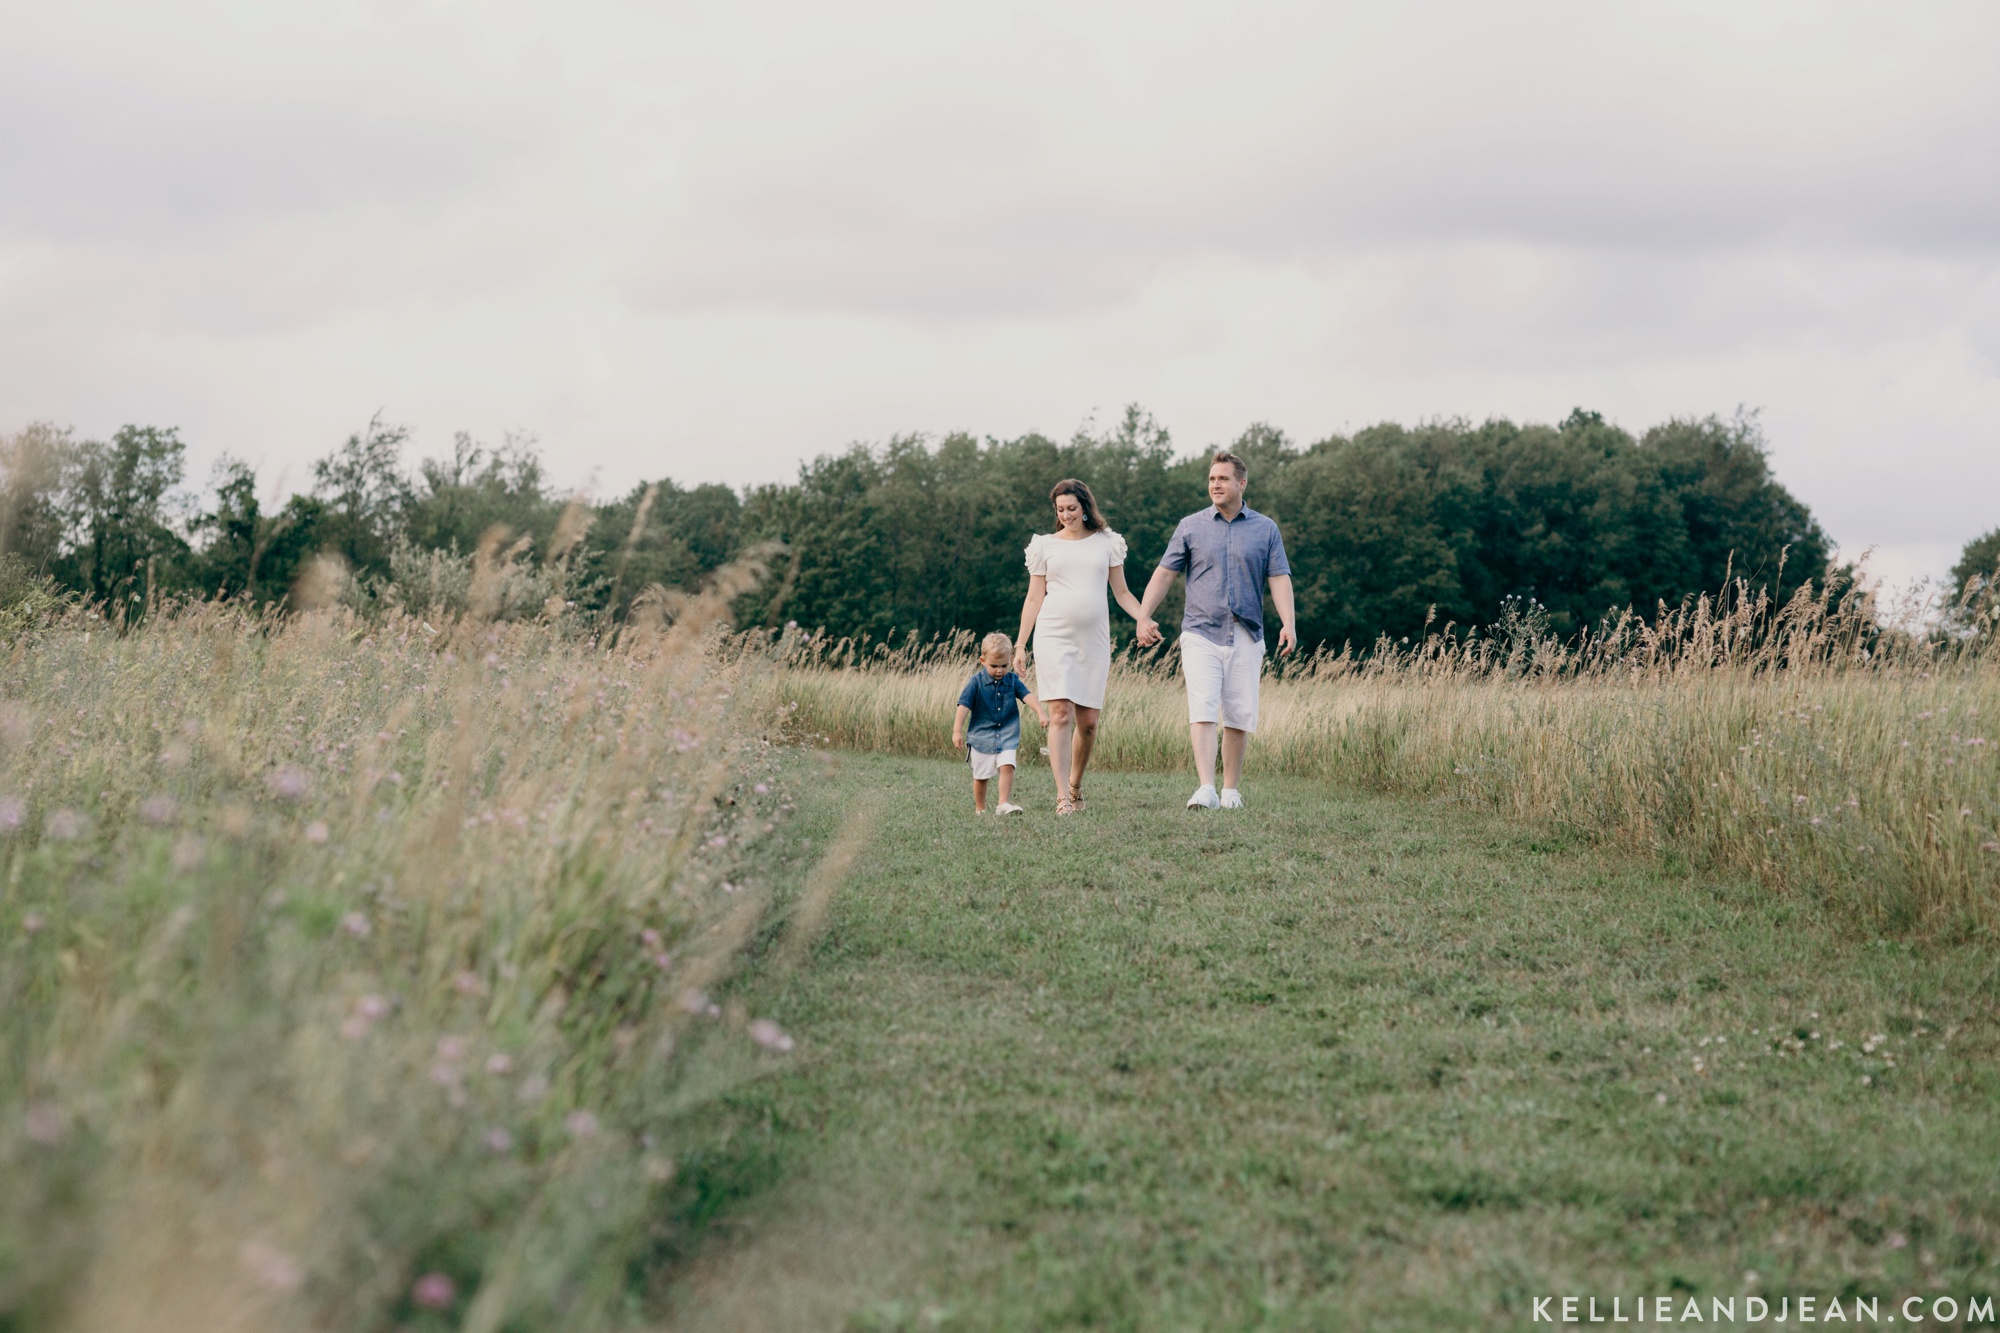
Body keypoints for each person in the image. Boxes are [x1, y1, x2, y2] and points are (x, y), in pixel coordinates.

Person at [1135, 450, 1296, 809]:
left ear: (1241, 483)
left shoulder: (1265, 528)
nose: (1215, 485)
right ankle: (1205, 787)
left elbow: (1279, 578)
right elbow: (1164, 574)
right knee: (1204, 705)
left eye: (1222, 478)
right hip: (1199, 631)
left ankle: (1230, 790)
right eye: (1211, 479)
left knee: (1239, 712)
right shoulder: (1190, 526)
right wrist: (1143, 616)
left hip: (1246, 633)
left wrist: (1289, 623)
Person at [1015, 479, 1157, 815]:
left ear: (1085, 507)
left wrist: (1143, 618)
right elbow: (1034, 597)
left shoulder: (1107, 543)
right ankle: (1062, 795)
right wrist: (1021, 644)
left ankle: (1076, 784)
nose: (1066, 515)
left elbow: (1122, 593)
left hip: (1092, 640)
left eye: (1072, 509)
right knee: (1060, 713)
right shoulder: (1045, 546)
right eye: (1060, 510)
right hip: (1053, 635)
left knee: (1089, 721)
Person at [952, 632, 1047, 814]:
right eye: (993, 666)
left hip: (1007, 734)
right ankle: (980, 809)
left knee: (1008, 766)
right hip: (981, 737)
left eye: (1004, 666)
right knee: (981, 776)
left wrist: (1041, 713)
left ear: (1011, 660)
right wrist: (957, 730)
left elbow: (1027, 696)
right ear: (982, 660)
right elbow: (963, 705)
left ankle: (1003, 804)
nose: (999, 670)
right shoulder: (976, 682)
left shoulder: (1012, 680)